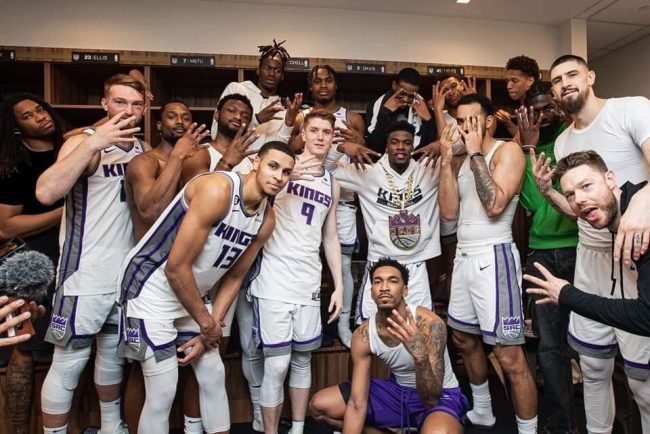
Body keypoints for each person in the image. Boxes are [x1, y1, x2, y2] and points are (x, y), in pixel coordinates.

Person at [119, 141, 296, 433]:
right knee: (163, 389)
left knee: (213, 373)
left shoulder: (266, 219)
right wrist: (207, 324)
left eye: (286, 172)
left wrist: (211, 325)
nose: (279, 176)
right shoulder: (219, 190)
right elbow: (176, 269)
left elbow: (235, 277)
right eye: (273, 166)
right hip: (150, 288)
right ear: (255, 163)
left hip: (191, 294)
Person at [533, 54, 650, 434]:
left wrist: (639, 206)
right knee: (593, 367)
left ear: (591, 76)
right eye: (556, 80)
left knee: (641, 380)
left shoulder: (630, 110)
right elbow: (581, 210)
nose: (564, 83)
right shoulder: (564, 140)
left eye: (572, 74)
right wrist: (549, 192)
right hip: (590, 257)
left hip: (633, 253)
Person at [35, 73, 147, 434]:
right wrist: (94, 141)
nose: (128, 110)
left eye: (136, 104)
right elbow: (46, 192)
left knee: (112, 356)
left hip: (123, 276)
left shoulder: (142, 149)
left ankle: (112, 428)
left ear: (144, 109)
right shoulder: (83, 142)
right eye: (120, 102)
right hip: (84, 274)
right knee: (69, 361)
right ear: (104, 104)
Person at [438, 94, 537, 433]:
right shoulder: (462, 160)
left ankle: (528, 431)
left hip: (494, 256)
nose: (464, 128)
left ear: (489, 121)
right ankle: (483, 410)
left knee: (509, 355)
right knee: (463, 337)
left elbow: (494, 205)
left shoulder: (507, 151)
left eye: (472, 121)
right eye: (459, 121)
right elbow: (448, 213)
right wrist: (446, 160)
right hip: (465, 256)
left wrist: (475, 151)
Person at [249, 110, 343, 434]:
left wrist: (339, 286)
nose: (319, 137)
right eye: (313, 130)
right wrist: (287, 177)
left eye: (326, 132)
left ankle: (298, 429)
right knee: (277, 365)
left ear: (332, 138)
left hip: (308, 281)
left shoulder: (332, 183)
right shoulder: (282, 170)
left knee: (302, 360)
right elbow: (253, 203)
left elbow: (330, 236)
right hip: (273, 278)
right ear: (303, 135)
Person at [122, 100, 209, 433]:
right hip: (149, 278)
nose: (180, 121)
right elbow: (152, 212)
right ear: (158, 124)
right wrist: (177, 158)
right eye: (171, 116)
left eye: (186, 116)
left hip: (186, 275)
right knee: (143, 369)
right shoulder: (142, 163)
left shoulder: (195, 163)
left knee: (195, 362)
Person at [309, 258, 468, 433]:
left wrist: (420, 355)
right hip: (397, 394)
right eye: (378, 282)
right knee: (319, 406)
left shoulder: (430, 324)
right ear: (371, 292)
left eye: (392, 281)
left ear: (405, 290)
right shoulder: (363, 336)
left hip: (439, 396)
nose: (384, 287)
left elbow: (431, 399)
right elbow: (357, 403)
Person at [526, 150, 650, 336]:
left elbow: (646, 317)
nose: (579, 200)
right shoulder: (625, 211)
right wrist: (548, 192)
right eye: (570, 195)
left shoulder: (642, 221)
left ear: (610, 179)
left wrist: (566, 294)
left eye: (586, 186)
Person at [289, 64, 369, 347]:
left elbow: (364, 151)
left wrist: (354, 143)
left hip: (342, 197)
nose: (323, 85)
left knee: (342, 264)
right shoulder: (302, 116)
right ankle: (308, 319)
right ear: (310, 87)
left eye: (328, 80)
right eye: (317, 81)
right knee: (308, 258)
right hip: (305, 192)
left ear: (336, 84)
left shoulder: (352, 117)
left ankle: (343, 323)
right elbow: (290, 149)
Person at [331, 121, 440, 325]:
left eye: (406, 143)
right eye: (395, 142)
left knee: (420, 328)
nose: (400, 147)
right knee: (370, 329)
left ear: (413, 146)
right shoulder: (367, 172)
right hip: (380, 264)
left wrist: (443, 145)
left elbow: (462, 151)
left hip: (416, 265)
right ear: (386, 146)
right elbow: (323, 168)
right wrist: (341, 148)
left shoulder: (429, 170)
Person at [516, 82, 579, 434]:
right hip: (541, 253)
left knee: (595, 340)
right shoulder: (528, 150)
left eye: (547, 107)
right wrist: (528, 148)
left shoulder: (574, 140)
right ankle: (562, 425)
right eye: (535, 110)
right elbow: (531, 202)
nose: (543, 115)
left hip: (579, 249)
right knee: (551, 346)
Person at [0, 92, 64, 434]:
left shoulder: (68, 150)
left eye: (40, 109)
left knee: (69, 348)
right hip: (33, 262)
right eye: (27, 115)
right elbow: (6, 226)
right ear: (15, 126)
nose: (40, 116)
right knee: (26, 349)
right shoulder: (15, 164)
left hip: (74, 257)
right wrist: (66, 213)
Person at [210, 40, 297, 150]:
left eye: (277, 70)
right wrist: (256, 120)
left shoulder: (283, 107)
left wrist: (289, 123)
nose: (271, 74)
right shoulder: (238, 89)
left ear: (282, 76)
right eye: (267, 68)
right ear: (258, 70)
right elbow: (216, 133)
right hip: (234, 159)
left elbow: (278, 148)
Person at [366, 67, 436, 151]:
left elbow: (426, 148)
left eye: (411, 96)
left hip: (414, 156)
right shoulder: (376, 105)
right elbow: (375, 147)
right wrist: (384, 113)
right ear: (394, 85)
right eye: (402, 94)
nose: (406, 99)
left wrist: (428, 121)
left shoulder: (423, 106)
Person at [495, 55, 540, 138]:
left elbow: (529, 140)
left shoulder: (540, 108)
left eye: (514, 81)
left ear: (530, 81)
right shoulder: (511, 103)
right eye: (507, 81)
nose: (508, 86)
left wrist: (508, 124)